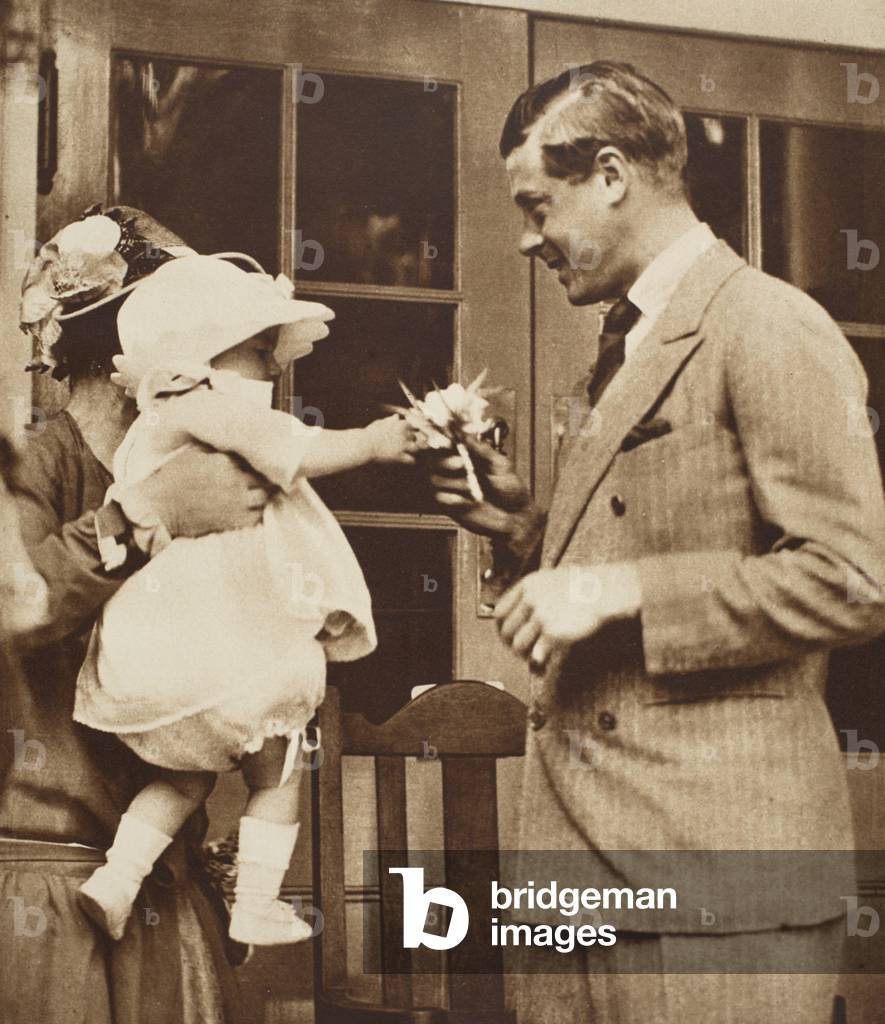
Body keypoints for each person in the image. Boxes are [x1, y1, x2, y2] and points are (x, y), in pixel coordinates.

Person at [427, 62, 885, 1023]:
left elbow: (852, 578)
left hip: (715, 875)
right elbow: (655, 534)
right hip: (584, 867)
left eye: (537, 205)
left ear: (609, 173)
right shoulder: (630, 339)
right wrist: (526, 532)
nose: (526, 238)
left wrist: (621, 589)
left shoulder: (767, 324)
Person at [73, 253, 418, 946]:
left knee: (188, 778)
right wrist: (377, 443)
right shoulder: (203, 404)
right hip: (222, 643)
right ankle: (256, 900)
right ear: (203, 350)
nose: (273, 370)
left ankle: (114, 880)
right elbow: (293, 449)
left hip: (161, 654)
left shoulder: (150, 424)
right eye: (260, 353)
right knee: (281, 760)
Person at [1, 206, 272, 1024]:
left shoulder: (213, 469)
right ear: (131, 343)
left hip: (163, 883)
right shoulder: (27, 467)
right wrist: (140, 517)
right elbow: (17, 606)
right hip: (43, 894)